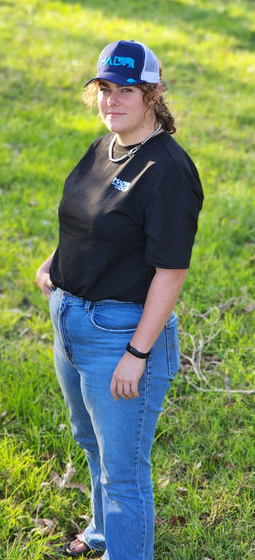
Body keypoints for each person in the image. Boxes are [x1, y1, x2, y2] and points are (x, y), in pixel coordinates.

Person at [36, 40, 203, 560]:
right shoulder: (104, 147)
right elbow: (89, 218)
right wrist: (53, 263)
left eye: (125, 89)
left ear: (153, 93)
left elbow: (170, 271)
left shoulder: (168, 171)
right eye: (104, 88)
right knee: (91, 442)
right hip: (71, 319)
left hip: (120, 333)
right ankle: (103, 530)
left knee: (124, 470)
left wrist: (137, 353)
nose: (111, 100)